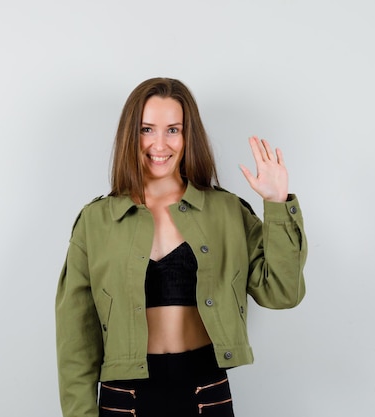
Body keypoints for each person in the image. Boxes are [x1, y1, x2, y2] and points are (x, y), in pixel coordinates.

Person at [55, 77, 307, 417]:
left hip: (206, 393)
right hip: (123, 400)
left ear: (189, 136)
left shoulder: (227, 211)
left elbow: (282, 292)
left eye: (173, 129)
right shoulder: (95, 221)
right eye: (147, 129)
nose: (160, 144)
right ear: (131, 134)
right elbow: (76, 340)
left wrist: (277, 204)